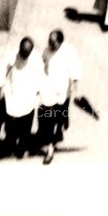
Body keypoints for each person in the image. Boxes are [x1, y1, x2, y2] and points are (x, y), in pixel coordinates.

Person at [0, 38, 42, 159]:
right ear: (19, 48)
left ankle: (21, 148)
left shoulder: (36, 59)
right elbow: (2, 72)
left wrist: (39, 94)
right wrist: (0, 90)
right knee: (10, 122)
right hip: (13, 93)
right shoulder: (11, 56)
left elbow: (40, 77)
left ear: (31, 52)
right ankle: (9, 143)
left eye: (27, 54)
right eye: (22, 53)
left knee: (26, 125)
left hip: (28, 96)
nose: (24, 56)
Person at [39, 30, 81, 165]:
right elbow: (43, 63)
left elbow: (75, 71)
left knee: (61, 113)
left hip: (63, 91)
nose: (50, 45)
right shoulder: (47, 51)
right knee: (48, 119)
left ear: (60, 42)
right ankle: (50, 148)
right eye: (49, 42)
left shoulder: (69, 52)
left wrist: (76, 91)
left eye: (53, 43)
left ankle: (61, 125)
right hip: (48, 91)